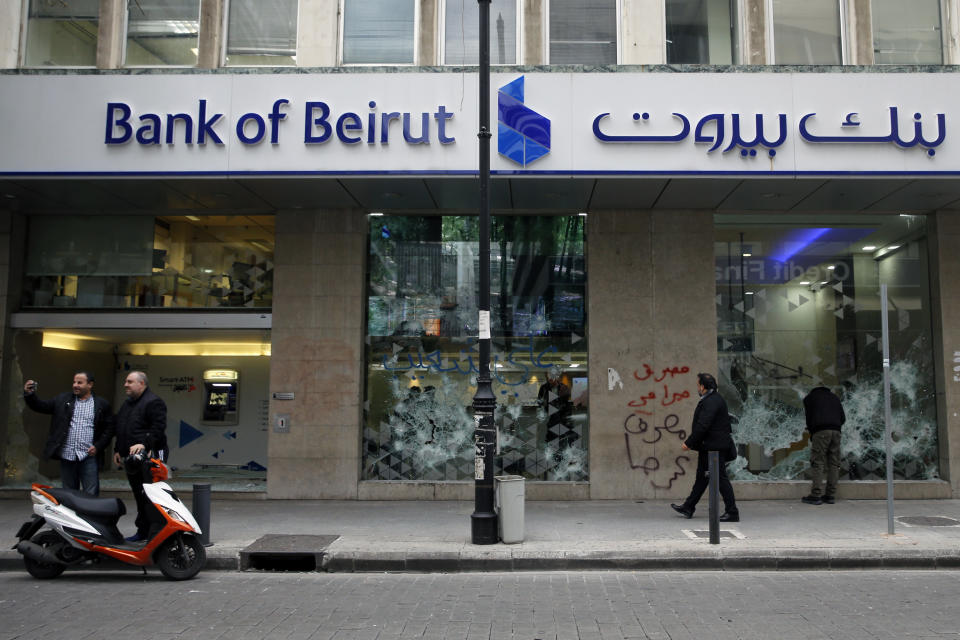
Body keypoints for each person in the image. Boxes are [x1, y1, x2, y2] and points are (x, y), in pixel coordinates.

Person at [23, 372, 114, 496]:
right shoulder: (63, 399)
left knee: (91, 493)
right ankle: (71, 515)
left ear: (90, 384)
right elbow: (42, 406)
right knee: (69, 493)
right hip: (67, 455)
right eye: (74, 382)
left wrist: (98, 446)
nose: (75, 385)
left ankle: (89, 515)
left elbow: (109, 429)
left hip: (88, 456)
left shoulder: (101, 404)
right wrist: (30, 395)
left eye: (80, 383)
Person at [671, 372, 740, 522]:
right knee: (702, 478)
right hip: (708, 446)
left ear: (702, 386)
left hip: (714, 448)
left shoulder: (712, 401)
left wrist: (689, 443)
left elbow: (703, 425)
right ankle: (688, 506)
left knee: (721, 479)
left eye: (698, 385)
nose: (697, 387)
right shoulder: (712, 399)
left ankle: (732, 512)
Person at [113, 371, 168, 542]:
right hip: (132, 460)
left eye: (130, 382)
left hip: (148, 458)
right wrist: (118, 450)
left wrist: (145, 444)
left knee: (151, 496)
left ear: (141, 384)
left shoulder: (153, 402)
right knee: (139, 495)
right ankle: (144, 531)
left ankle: (155, 532)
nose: (125, 385)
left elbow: (158, 428)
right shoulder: (128, 404)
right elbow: (122, 427)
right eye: (125, 381)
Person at [801, 386, 846, 505]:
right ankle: (830, 495)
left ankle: (816, 495)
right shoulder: (835, 397)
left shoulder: (810, 398)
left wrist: (812, 432)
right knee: (834, 463)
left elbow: (809, 419)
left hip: (820, 431)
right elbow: (843, 418)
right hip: (836, 431)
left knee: (818, 462)